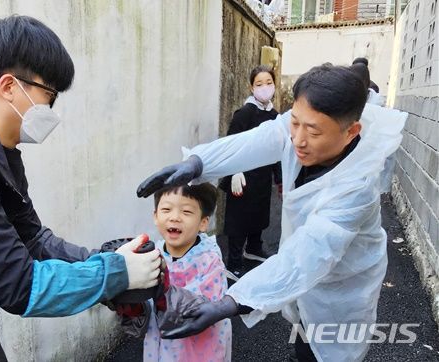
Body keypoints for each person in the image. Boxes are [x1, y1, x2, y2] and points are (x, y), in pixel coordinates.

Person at [0, 15, 160, 361]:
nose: (51, 109)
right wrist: (115, 274)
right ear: (8, 87)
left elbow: (33, 238)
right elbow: (21, 287)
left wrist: (103, 260)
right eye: (49, 95)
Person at [136, 64, 408, 361]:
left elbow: (305, 258)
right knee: (302, 338)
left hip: (341, 286)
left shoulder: (358, 188)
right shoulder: (300, 129)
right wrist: (198, 163)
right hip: (304, 274)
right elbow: (260, 138)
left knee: (329, 351)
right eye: (295, 123)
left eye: (313, 131)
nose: (298, 140)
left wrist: (230, 302)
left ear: (350, 132)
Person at [143, 183, 232, 361]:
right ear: (155, 215)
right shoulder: (153, 254)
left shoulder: (210, 259)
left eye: (186, 212)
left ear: (203, 222)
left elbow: (201, 305)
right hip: (161, 340)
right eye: (166, 209)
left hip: (199, 344)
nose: (174, 217)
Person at [219, 65, 282, 279]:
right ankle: (233, 261)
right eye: (259, 84)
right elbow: (230, 143)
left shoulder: (275, 116)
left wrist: (279, 179)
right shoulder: (244, 113)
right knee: (239, 220)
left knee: (259, 214)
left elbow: (277, 148)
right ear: (251, 87)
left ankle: (254, 248)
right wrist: (234, 171)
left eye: (269, 83)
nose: (264, 88)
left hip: (262, 177)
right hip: (242, 176)